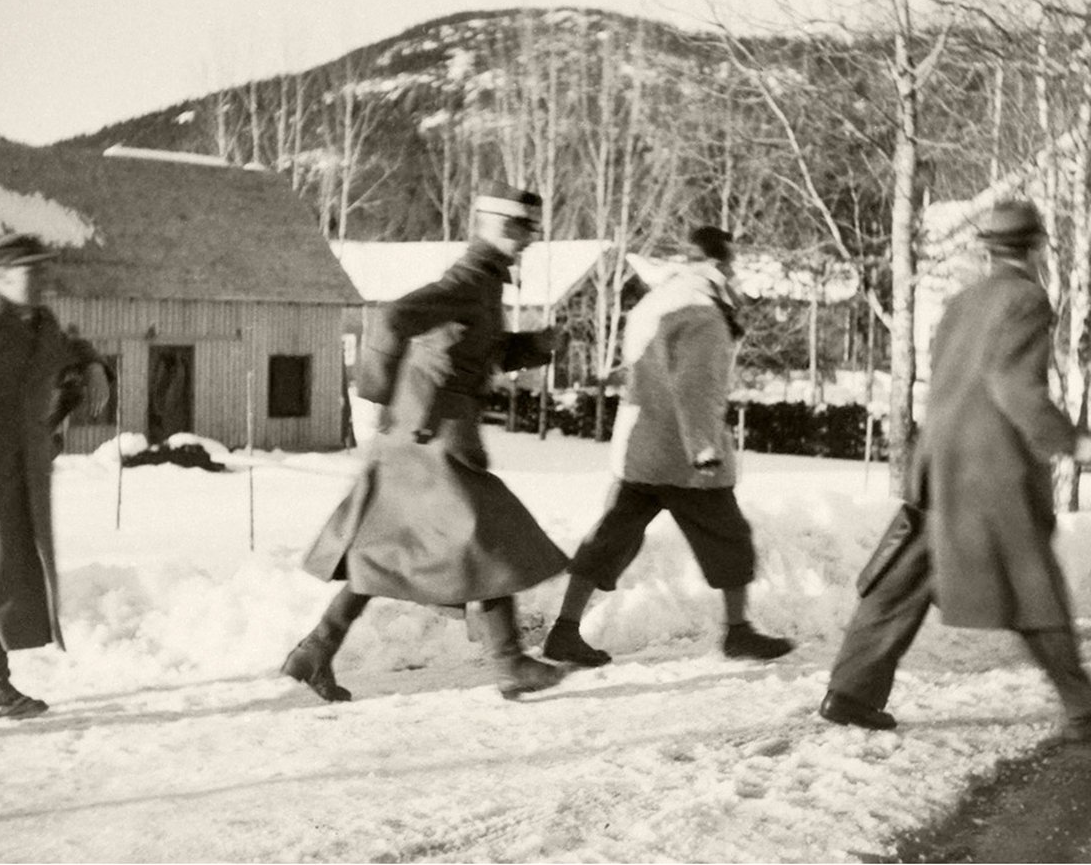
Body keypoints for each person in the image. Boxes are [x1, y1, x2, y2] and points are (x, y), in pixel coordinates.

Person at [281, 182, 568, 701]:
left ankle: (316, 650)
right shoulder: (471, 279)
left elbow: (474, 349)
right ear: (494, 225)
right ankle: (509, 663)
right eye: (519, 228)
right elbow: (392, 317)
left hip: (426, 430)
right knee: (486, 536)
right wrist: (378, 393)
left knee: (391, 549)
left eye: (531, 229)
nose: (528, 238)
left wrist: (532, 346)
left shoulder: (484, 283)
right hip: (431, 435)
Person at [819, 200, 1091, 741]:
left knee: (901, 578)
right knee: (1032, 585)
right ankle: (1084, 709)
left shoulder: (961, 302)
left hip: (939, 462)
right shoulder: (1027, 299)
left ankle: (851, 692)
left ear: (988, 249)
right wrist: (1071, 442)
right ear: (1037, 248)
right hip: (991, 470)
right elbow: (1013, 386)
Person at [541, 225, 794, 668]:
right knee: (730, 538)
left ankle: (564, 630)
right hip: (685, 458)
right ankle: (738, 632)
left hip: (640, 451)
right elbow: (696, 386)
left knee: (608, 540)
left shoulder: (656, 300)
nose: (733, 272)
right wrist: (704, 448)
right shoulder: (703, 313)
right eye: (730, 262)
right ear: (718, 262)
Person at [0, 233, 111, 720]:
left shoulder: (39, 325)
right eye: (31, 271)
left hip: (15, 486)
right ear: (0, 276)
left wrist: (92, 363)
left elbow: (66, 347)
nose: (41, 280)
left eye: (44, 269)